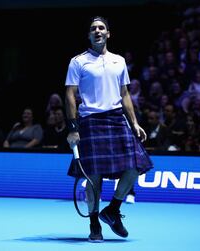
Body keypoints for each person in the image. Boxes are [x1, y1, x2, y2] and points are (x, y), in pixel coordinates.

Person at [65, 16, 153, 242]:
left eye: (101, 28)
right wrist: (73, 127)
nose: (97, 31)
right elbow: (70, 96)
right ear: (88, 35)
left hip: (116, 120)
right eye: (93, 28)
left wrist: (134, 122)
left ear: (108, 34)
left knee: (135, 167)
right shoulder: (78, 61)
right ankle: (94, 224)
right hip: (91, 121)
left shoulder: (119, 61)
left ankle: (112, 210)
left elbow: (125, 94)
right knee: (94, 178)